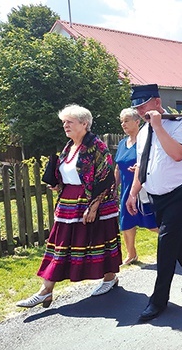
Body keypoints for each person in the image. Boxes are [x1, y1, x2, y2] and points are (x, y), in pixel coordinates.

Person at [17, 105, 121, 309]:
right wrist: (57, 182)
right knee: (60, 246)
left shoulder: (97, 146)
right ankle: (45, 290)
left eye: (69, 122)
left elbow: (106, 177)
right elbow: (69, 172)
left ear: (84, 124)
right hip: (68, 203)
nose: (65, 125)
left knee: (100, 239)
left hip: (91, 202)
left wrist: (93, 207)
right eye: (64, 122)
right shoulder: (68, 147)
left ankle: (110, 278)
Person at [126, 84, 182, 322]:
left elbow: (178, 154)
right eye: (136, 107)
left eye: (143, 105)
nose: (140, 110)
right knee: (174, 235)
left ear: (157, 102)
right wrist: (133, 193)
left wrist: (159, 126)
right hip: (156, 195)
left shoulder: (180, 124)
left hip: (180, 193)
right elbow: (142, 164)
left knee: (166, 241)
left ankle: (158, 300)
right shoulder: (142, 133)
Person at [114, 108, 158, 265]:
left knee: (151, 222)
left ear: (137, 122)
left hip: (143, 188)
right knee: (126, 222)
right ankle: (131, 254)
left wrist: (139, 169)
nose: (123, 124)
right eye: (121, 121)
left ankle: (178, 239)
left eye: (126, 120)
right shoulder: (121, 143)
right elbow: (118, 167)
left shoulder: (145, 141)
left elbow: (153, 161)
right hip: (126, 188)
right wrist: (114, 186)